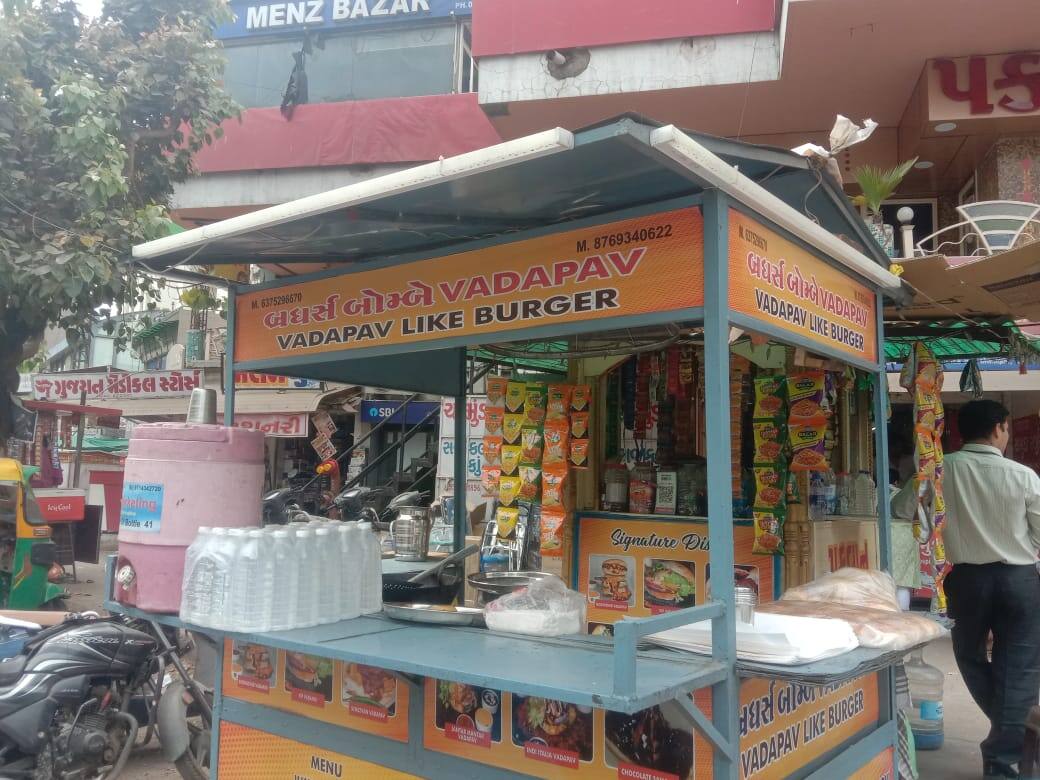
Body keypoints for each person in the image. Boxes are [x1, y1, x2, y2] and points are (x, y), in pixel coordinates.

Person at [893, 400, 1040, 779]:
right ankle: (1007, 749)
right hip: (1020, 580)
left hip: (967, 580)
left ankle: (1008, 742)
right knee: (1020, 669)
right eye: (1006, 429)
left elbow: (900, 507)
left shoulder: (940, 472)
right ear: (998, 429)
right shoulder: (1024, 476)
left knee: (969, 655)